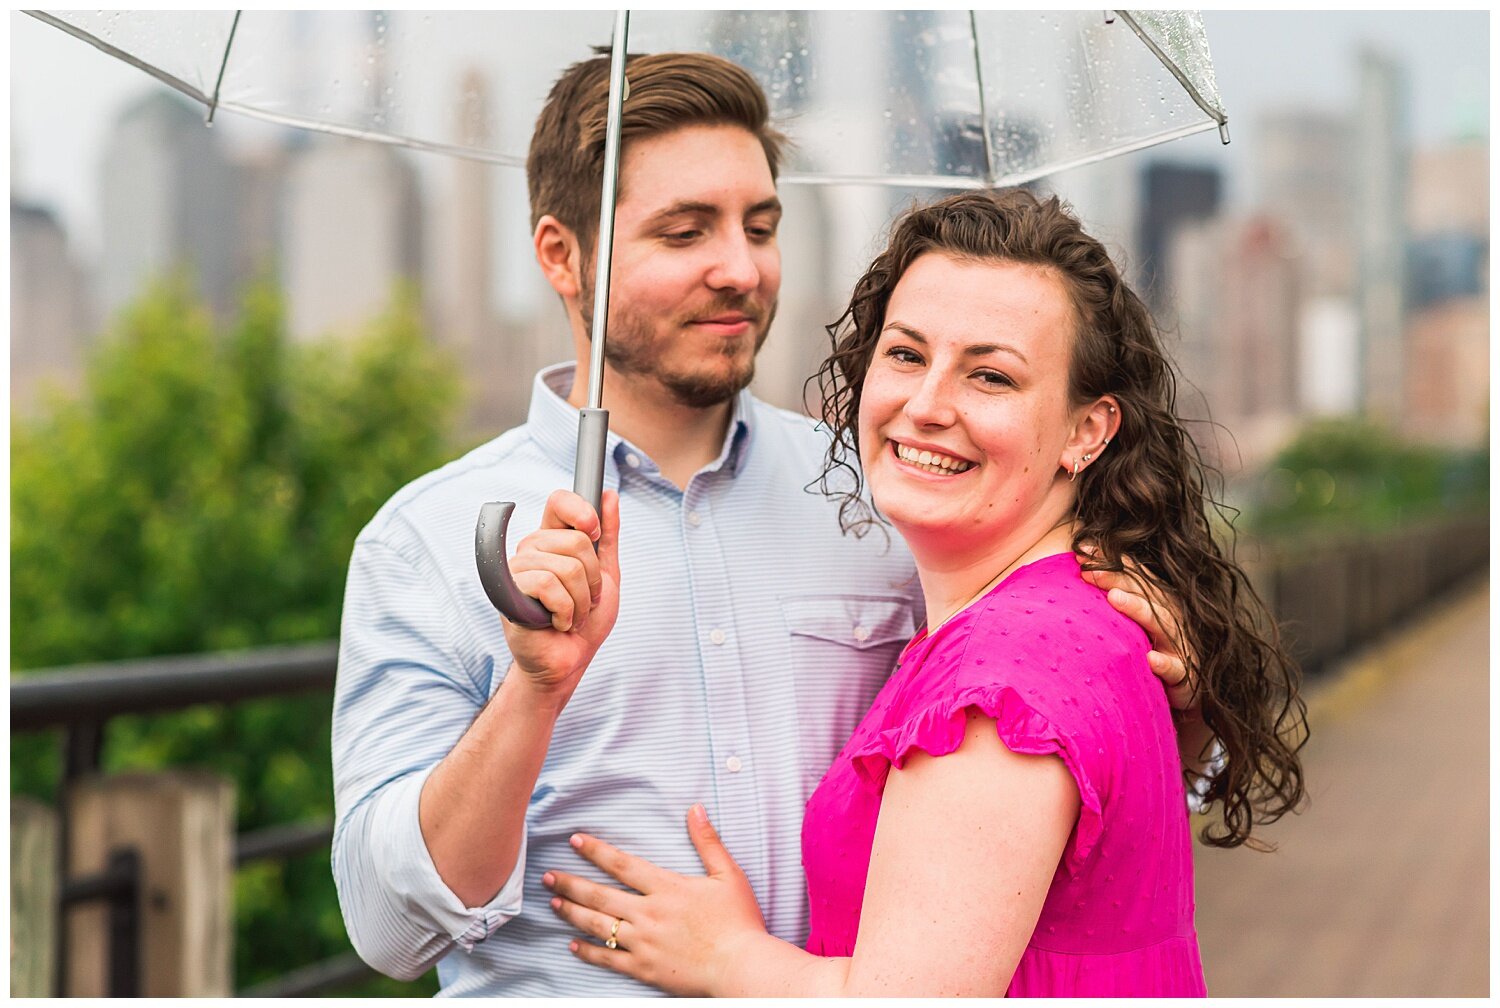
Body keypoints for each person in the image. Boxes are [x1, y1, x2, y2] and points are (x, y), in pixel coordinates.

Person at [330, 53, 1198, 997]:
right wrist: (533, 692)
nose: (739, 268)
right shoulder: (428, 542)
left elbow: (1033, 755)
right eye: (685, 231)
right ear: (560, 255)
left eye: (761, 225)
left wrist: (1173, 695)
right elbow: (386, 928)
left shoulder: (894, 499)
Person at [541, 189, 1308, 996]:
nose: (928, 405)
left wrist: (728, 958)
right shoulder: (1078, 616)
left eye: (990, 376)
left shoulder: (1000, 687)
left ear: (1089, 431)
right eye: (906, 355)